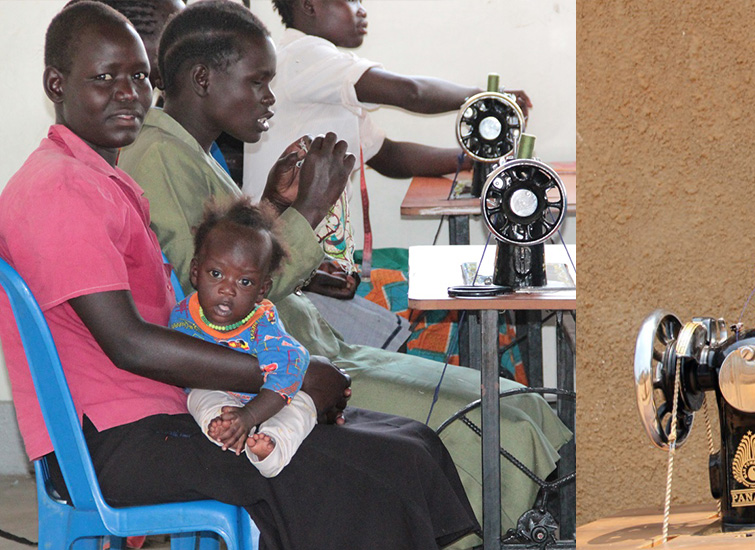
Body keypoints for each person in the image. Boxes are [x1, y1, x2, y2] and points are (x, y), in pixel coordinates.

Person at [0, 4, 474, 547]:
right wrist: (283, 373)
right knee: (377, 471)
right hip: (118, 441)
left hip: (166, 411)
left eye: (137, 75)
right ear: (55, 84)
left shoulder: (96, 175)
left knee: (409, 443)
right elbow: (128, 343)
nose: (128, 93)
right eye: (103, 78)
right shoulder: (62, 189)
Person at [117, 0, 568, 529]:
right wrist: (308, 208)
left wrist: (274, 206)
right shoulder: (160, 156)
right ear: (201, 79)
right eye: (259, 83)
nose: (270, 98)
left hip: (316, 343)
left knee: (520, 402)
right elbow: (217, 303)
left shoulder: (195, 151)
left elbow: (233, 259)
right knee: (500, 428)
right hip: (278, 370)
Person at [242, 0, 534, 312]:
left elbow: (389, 155)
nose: (361, 10)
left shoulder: (325, 81)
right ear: (309, 6)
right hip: (282, 269)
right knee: (441, 296)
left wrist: (472, 159)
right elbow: (411, 92)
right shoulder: (303, 55)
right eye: (352, 0)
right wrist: (487, 96)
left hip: (304, 262)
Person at [173, 197, 317, 477]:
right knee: (199, 396)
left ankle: (270, 449)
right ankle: (222, 428)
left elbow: (291, 367)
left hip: (269, 401)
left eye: (245, 282)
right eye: (216, 274)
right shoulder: (182, 315)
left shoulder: (262, 324)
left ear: (262, 290)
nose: (227, 289)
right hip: (221, 396)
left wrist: (251, 415)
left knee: (302, 406)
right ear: (195, 272)